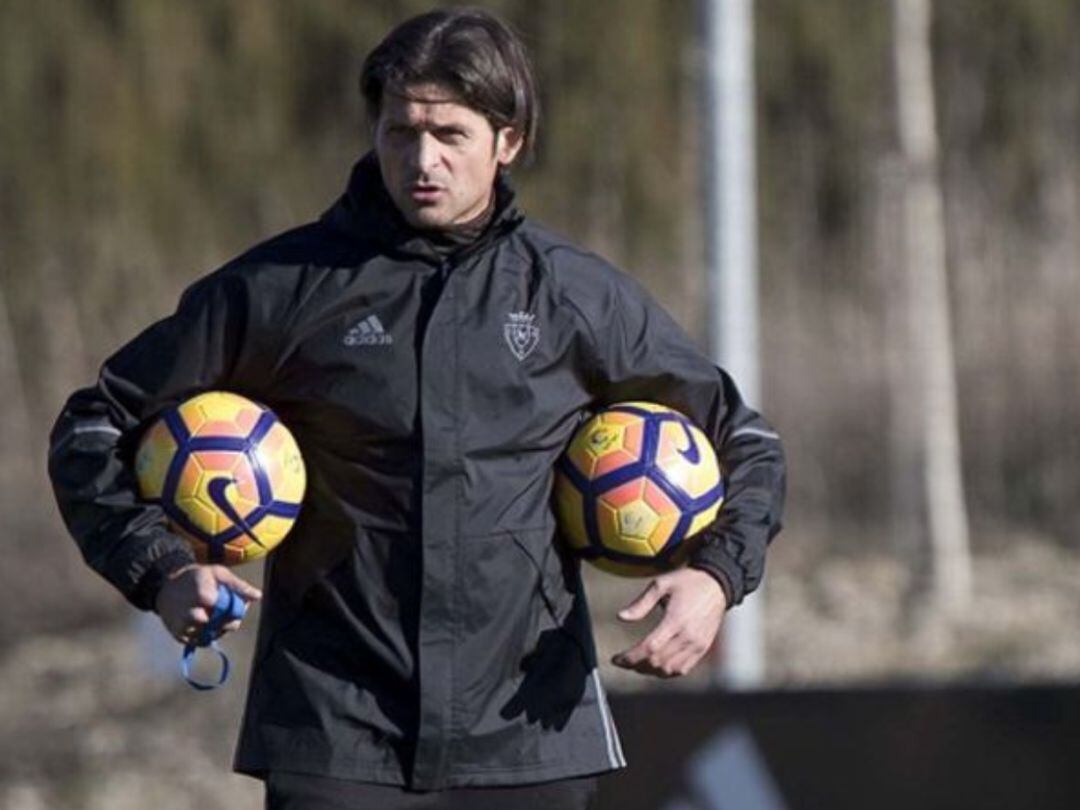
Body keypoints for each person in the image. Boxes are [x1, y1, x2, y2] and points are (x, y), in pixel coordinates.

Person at [48, 7, 785, 809]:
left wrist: (715, 578)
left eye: (450, 134)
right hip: (334, 737)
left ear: (508, 141)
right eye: (401, 131)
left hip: (528, 738)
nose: (422, 159)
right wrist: (160, 569)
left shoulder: (574, 296)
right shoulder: (284, 289)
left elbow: (745, 441)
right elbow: (94, 426)